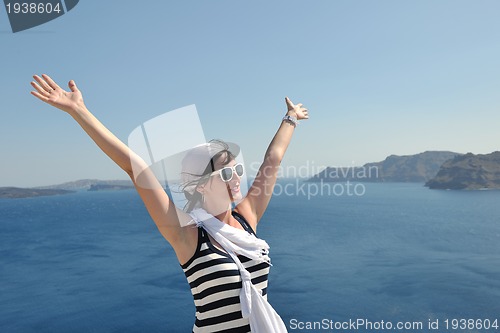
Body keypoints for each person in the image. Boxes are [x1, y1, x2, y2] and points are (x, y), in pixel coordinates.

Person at [30, 74, 309, 332]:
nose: (236, 178)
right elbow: (135, 167)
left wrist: (290, 117)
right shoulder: (187, 235)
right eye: (225, 172)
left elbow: (273, 158)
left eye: (237, 170)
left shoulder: (247, 218)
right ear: (202, 183)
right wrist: (79, 111)